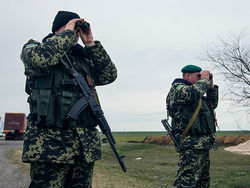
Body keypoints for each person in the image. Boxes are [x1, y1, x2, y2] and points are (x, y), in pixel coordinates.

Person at [20, 10, 117, 187]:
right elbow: (39, 61)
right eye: (73, 28)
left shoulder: (83, 60)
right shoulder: (34, 48)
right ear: (59, 29)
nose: (76, 34)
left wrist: (91, 44)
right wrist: (67, 33)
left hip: (83, 147)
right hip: (49, 147)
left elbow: (109, 75)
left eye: (78, 30)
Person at [166, 65, 218, 188]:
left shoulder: (197, 93)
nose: (201, 78)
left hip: (202, 144)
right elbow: (192, 93)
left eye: (202, 76)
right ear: (188, 76)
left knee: (203, 181)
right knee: (186, 182)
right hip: (190, 144)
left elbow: (212, 104)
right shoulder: (178, 88)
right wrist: (205, 80)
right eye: (198, 76)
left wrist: (210, 86)